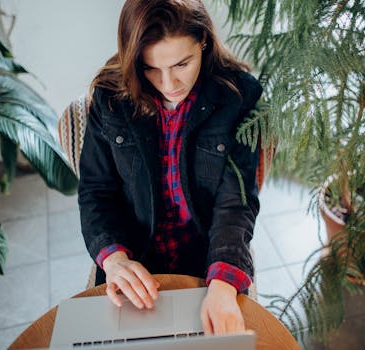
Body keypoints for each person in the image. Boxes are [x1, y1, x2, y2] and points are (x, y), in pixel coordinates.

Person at [78, 0, 262, 335]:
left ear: (203, 41)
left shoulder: (239, 95)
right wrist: (114, 259)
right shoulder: (109, 97)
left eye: (182, 63)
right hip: (135, 258)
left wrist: (222, 283)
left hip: (208, 255)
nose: (168, 84)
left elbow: (236, 201)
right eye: (150, 68)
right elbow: (95, 192)